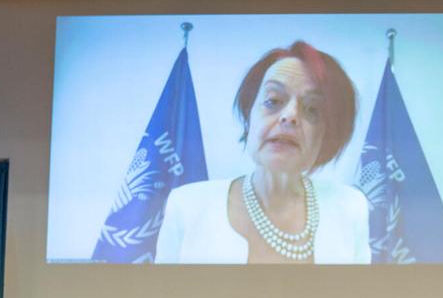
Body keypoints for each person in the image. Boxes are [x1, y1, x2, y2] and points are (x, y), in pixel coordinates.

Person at [156, 41, 370, 264]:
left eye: (312, 109)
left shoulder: (351, 208)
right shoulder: (187, 206)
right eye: (273, 101)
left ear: (327, 134)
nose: (289, 116)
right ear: (249, 116)